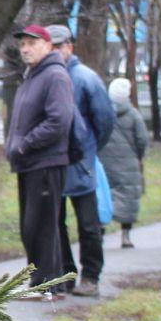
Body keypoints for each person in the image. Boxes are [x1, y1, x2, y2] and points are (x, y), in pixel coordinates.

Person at [4, 24, 74, 300]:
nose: (25, 49)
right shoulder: (32, 76)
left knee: (42, 226)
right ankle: (41, 281)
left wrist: (26, 143)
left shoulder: (55, 75)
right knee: (31, 226)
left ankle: (49, 284)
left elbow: (59, 120)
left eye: (31, 43)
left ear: (47, 45)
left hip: (46, 162)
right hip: (28, 163)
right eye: (22, 44)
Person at [50, 26, 115, 297]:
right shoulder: (45, 78)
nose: (55, 51)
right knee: (55, 223)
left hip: (81, 163)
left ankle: (91, 276)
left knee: (89, 224)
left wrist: (88, 150)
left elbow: (105, 120)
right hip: (53, 163)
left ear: (69, 47)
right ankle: (65, 273)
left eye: (59, 46)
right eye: (50, 46)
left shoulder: (86, 78)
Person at [99, 76, 150, 249]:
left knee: (104, 196)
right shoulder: (134, 114)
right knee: (128, 197)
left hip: (104, 161)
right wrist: (138, 155)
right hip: (128, 163)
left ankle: (100, 231)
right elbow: (142, 139)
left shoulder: (102, 112)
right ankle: (125, 235)